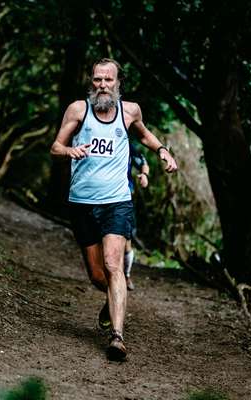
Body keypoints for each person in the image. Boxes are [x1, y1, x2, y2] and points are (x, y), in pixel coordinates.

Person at [50, 58, 177, 361]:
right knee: (97, 276)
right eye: (97, 80)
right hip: (82, 203)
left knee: (113, 264)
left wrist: (161, 151)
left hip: (117, 201)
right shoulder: (78, 110)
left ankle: (117, 337)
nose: (103, 85)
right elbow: (55, 146)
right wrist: (69, 150)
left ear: (119, 83)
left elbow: (144, 135)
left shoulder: (129, 111)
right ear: (91, 82)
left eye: (109, 80)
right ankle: (110, 300)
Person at [124, 142, 149, 292]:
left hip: (124, 197)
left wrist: (144, 174)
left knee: (127, 241)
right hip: (97, 196)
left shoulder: (127, 144)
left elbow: (142, 162)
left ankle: (126, 275)